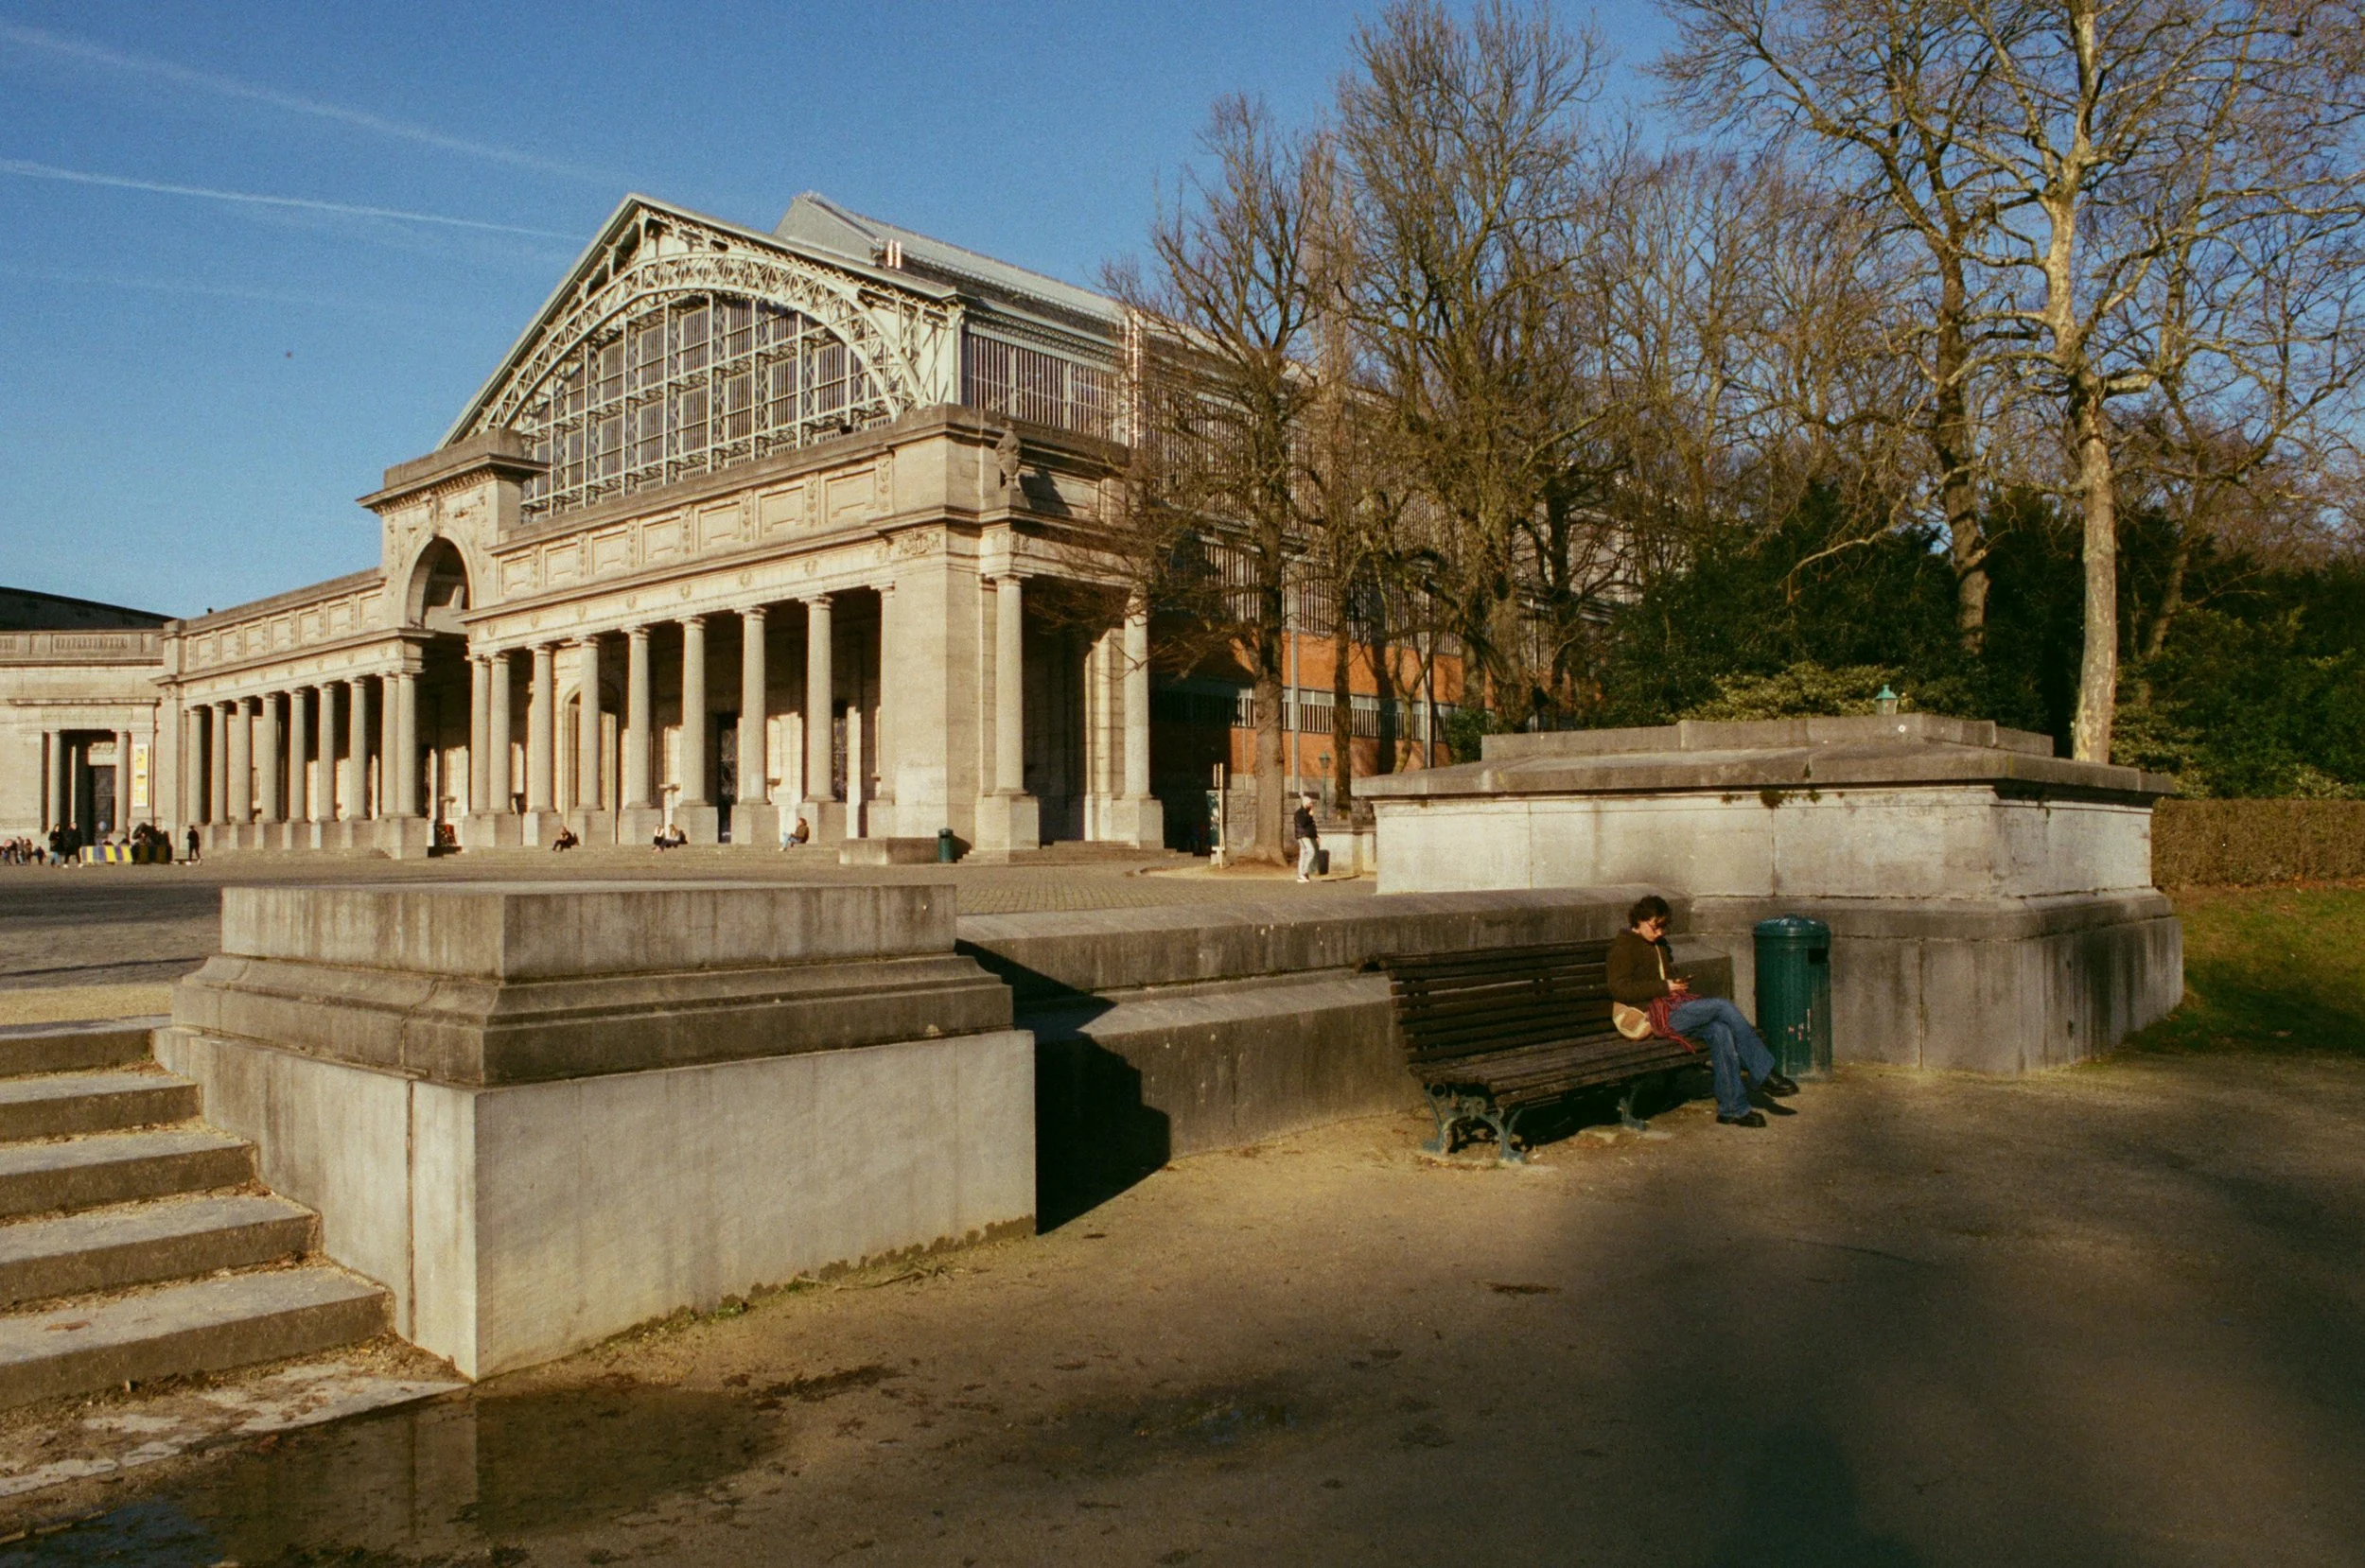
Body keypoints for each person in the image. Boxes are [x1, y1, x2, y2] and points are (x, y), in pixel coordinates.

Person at [1608, 894, 1798, 1128]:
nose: (1659, 933)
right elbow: (1619, 989)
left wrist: (1675, 984)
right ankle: (1763, 1071)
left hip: (1670, 1008)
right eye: (1655, 927)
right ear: (1639, 919)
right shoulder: (1624, 946)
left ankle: (1733, 1109)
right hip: (1649, 1016)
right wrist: (1664, 987)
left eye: (1663, 928)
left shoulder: (1658, 945)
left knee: (1719, 1031)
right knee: (1722, 1006)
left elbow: (1661, 980)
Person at [1293, 793, 1321, 882]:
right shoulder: (1299, 813)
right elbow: (1303, 823)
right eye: (1310, 803)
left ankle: (1301, 875)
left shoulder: (1307, 812)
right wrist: (1309, 815)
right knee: (1311, 851)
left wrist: (1315, 836)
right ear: (1305, 804)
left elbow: (1311, 826)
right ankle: (1303, 872)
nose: (1311, 805)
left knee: (1303, 854)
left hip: (1306, 835)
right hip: (1302, 835)